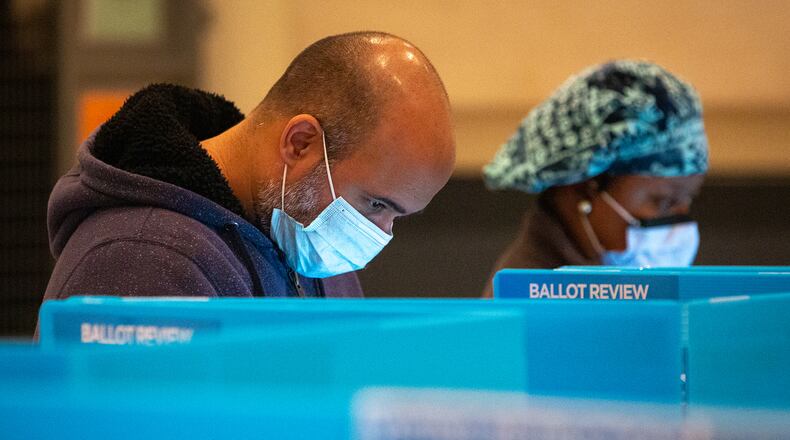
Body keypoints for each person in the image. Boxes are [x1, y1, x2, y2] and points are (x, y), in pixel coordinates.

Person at [42, 31, 455, 304]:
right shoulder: (143, 260)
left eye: (397, 217)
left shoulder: (308, 250)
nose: (379, 235)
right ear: (300, 143)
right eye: (377, 205)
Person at [482, 60, 708, 297]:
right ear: (586, 187)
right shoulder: (530, 300)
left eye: (688, 199)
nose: (680, 222)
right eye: (662, 201)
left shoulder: (613, 287)